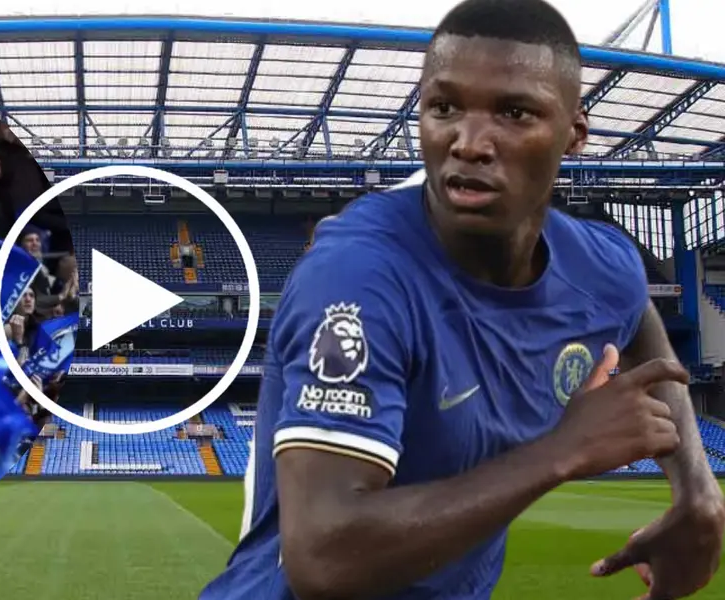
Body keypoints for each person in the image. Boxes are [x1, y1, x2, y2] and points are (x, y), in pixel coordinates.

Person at [199, 1, 724, 599]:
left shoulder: (600, 263)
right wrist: (562, 450)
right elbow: (325, 557)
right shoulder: (358, 278)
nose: (469, 142)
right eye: (444, 107)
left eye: (515, 112)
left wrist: (698, 492)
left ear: (574, 133)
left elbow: (640, 323)